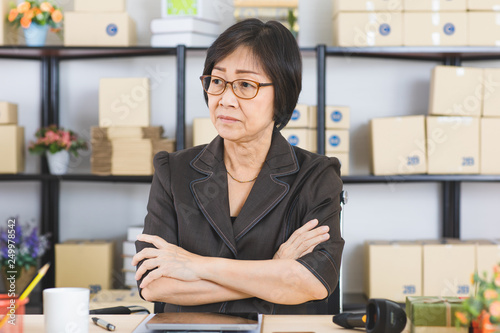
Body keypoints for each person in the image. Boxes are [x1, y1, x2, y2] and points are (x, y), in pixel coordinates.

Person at [132, 18, 344, 314]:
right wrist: (274, 273)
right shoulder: (173, 170)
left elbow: (314, 281)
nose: (225, 99)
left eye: (245, 85)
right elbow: (154, 284)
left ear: (282, 94)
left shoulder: (315, 176)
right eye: (217, 82)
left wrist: (196, 266)